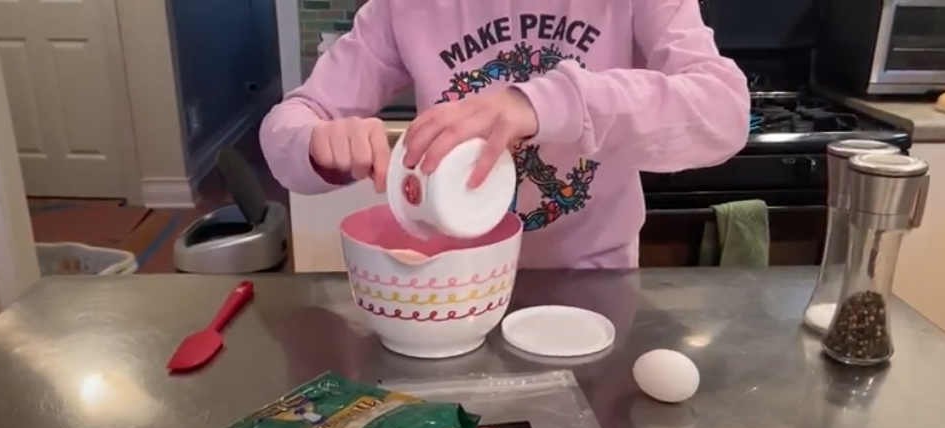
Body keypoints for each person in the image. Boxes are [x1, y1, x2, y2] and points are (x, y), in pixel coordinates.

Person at [260, 0, 750, 268]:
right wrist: (317, 146)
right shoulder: (401, 8)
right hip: (456, 279)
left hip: (592, 283)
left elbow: (723, 112)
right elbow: (291, 122)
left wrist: (540, 102)